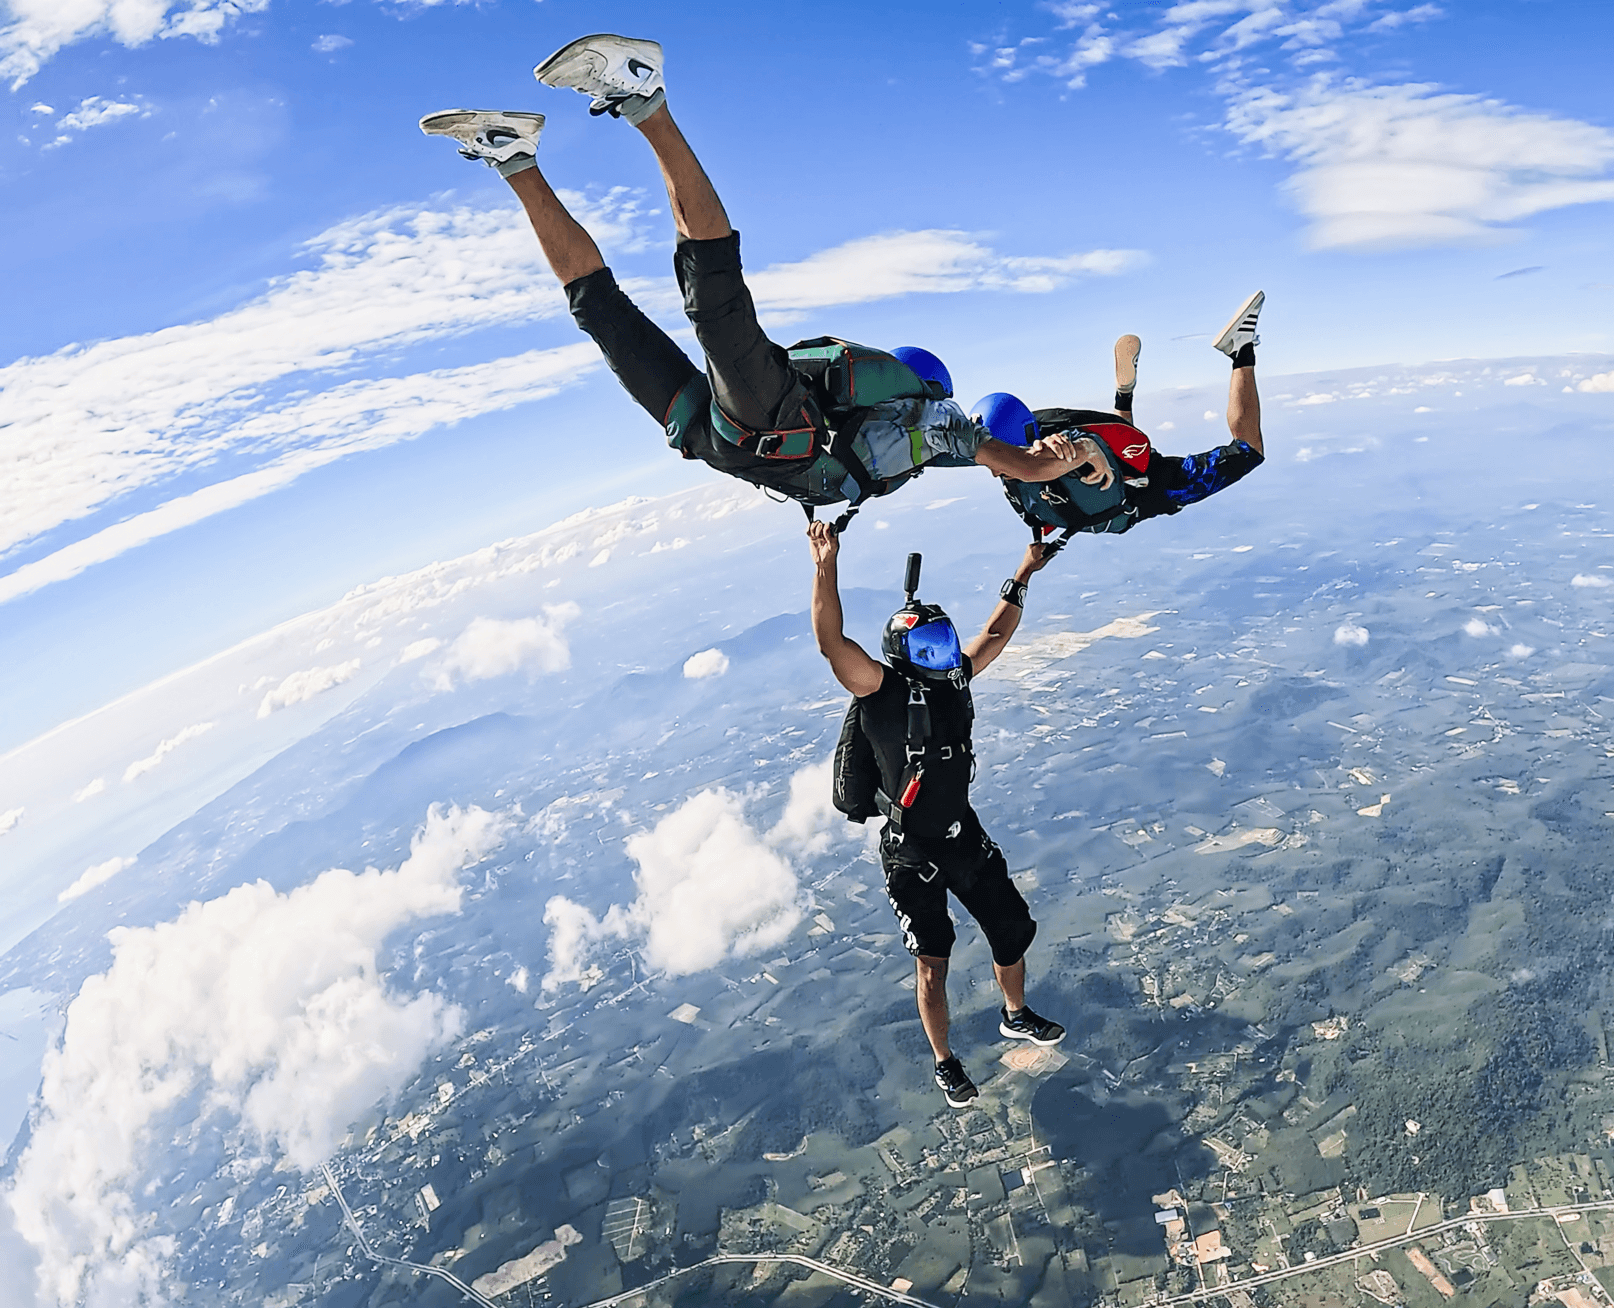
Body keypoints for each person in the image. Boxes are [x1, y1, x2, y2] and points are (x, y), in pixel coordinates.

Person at [420, 34, 1104, 529]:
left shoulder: (917, 433)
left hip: (719, 436)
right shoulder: (938, 427)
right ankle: (644, 94)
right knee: (712, 304)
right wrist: (1057, 458)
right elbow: (1015, 462)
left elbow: (1003, 458)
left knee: (601, 313)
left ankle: (514, 158)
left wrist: (1058, 453)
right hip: (773, 426)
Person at [809, 526, 1065, 1108]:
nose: (947, 659)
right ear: (905, 655)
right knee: (933, 963)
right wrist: (826, 563)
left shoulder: (952, 684)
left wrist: (1024, 570)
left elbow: (994, 634)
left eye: (945, 648)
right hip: (910, 851)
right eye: (932, 652)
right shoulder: (880, 691)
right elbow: (831, 643)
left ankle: (1015, 1014)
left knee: (1009, 927)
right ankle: (945, 1062)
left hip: (958, 831)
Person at [976, 292, 1268, 543]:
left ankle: (1236, 350)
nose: (994, 470)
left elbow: (1083, 450)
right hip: (1135, 488)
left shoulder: (1051, 455)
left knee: (1245, 451)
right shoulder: (1039, 454)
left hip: (1133, 495)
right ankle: (1236, 351)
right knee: (1244, 450)